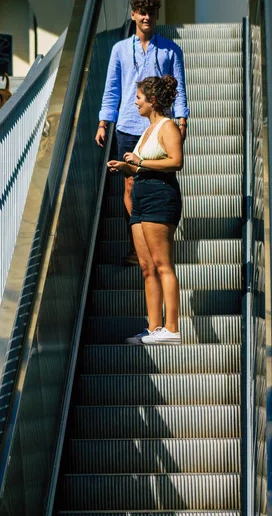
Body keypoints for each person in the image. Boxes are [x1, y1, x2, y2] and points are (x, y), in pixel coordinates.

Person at [95, 0, 189, 266]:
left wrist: (182, 120)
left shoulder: (171, 49)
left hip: (160, 126)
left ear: (157, 16)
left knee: (159, 180)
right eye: (141, 12)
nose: (147, 17)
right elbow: (112, 89)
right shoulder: (120, 49)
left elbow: (180, 88)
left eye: (151, 12)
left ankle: (159, 238)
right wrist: (104, 122)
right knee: (130, 186)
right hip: (127, 125)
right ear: (133, 15)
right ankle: (138, 246)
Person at [107, 75, 183, 345]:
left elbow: (176, 162)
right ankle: (153, 328)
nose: (135, 102)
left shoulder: (168, 126)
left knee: (163, 265)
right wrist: (126, 166)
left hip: (159, 197)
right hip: (140, 198)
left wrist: (141, 162)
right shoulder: (147, 130)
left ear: (152, 101)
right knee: (146, 267)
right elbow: (142, 165)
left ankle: (171, 328)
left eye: (139, 98)